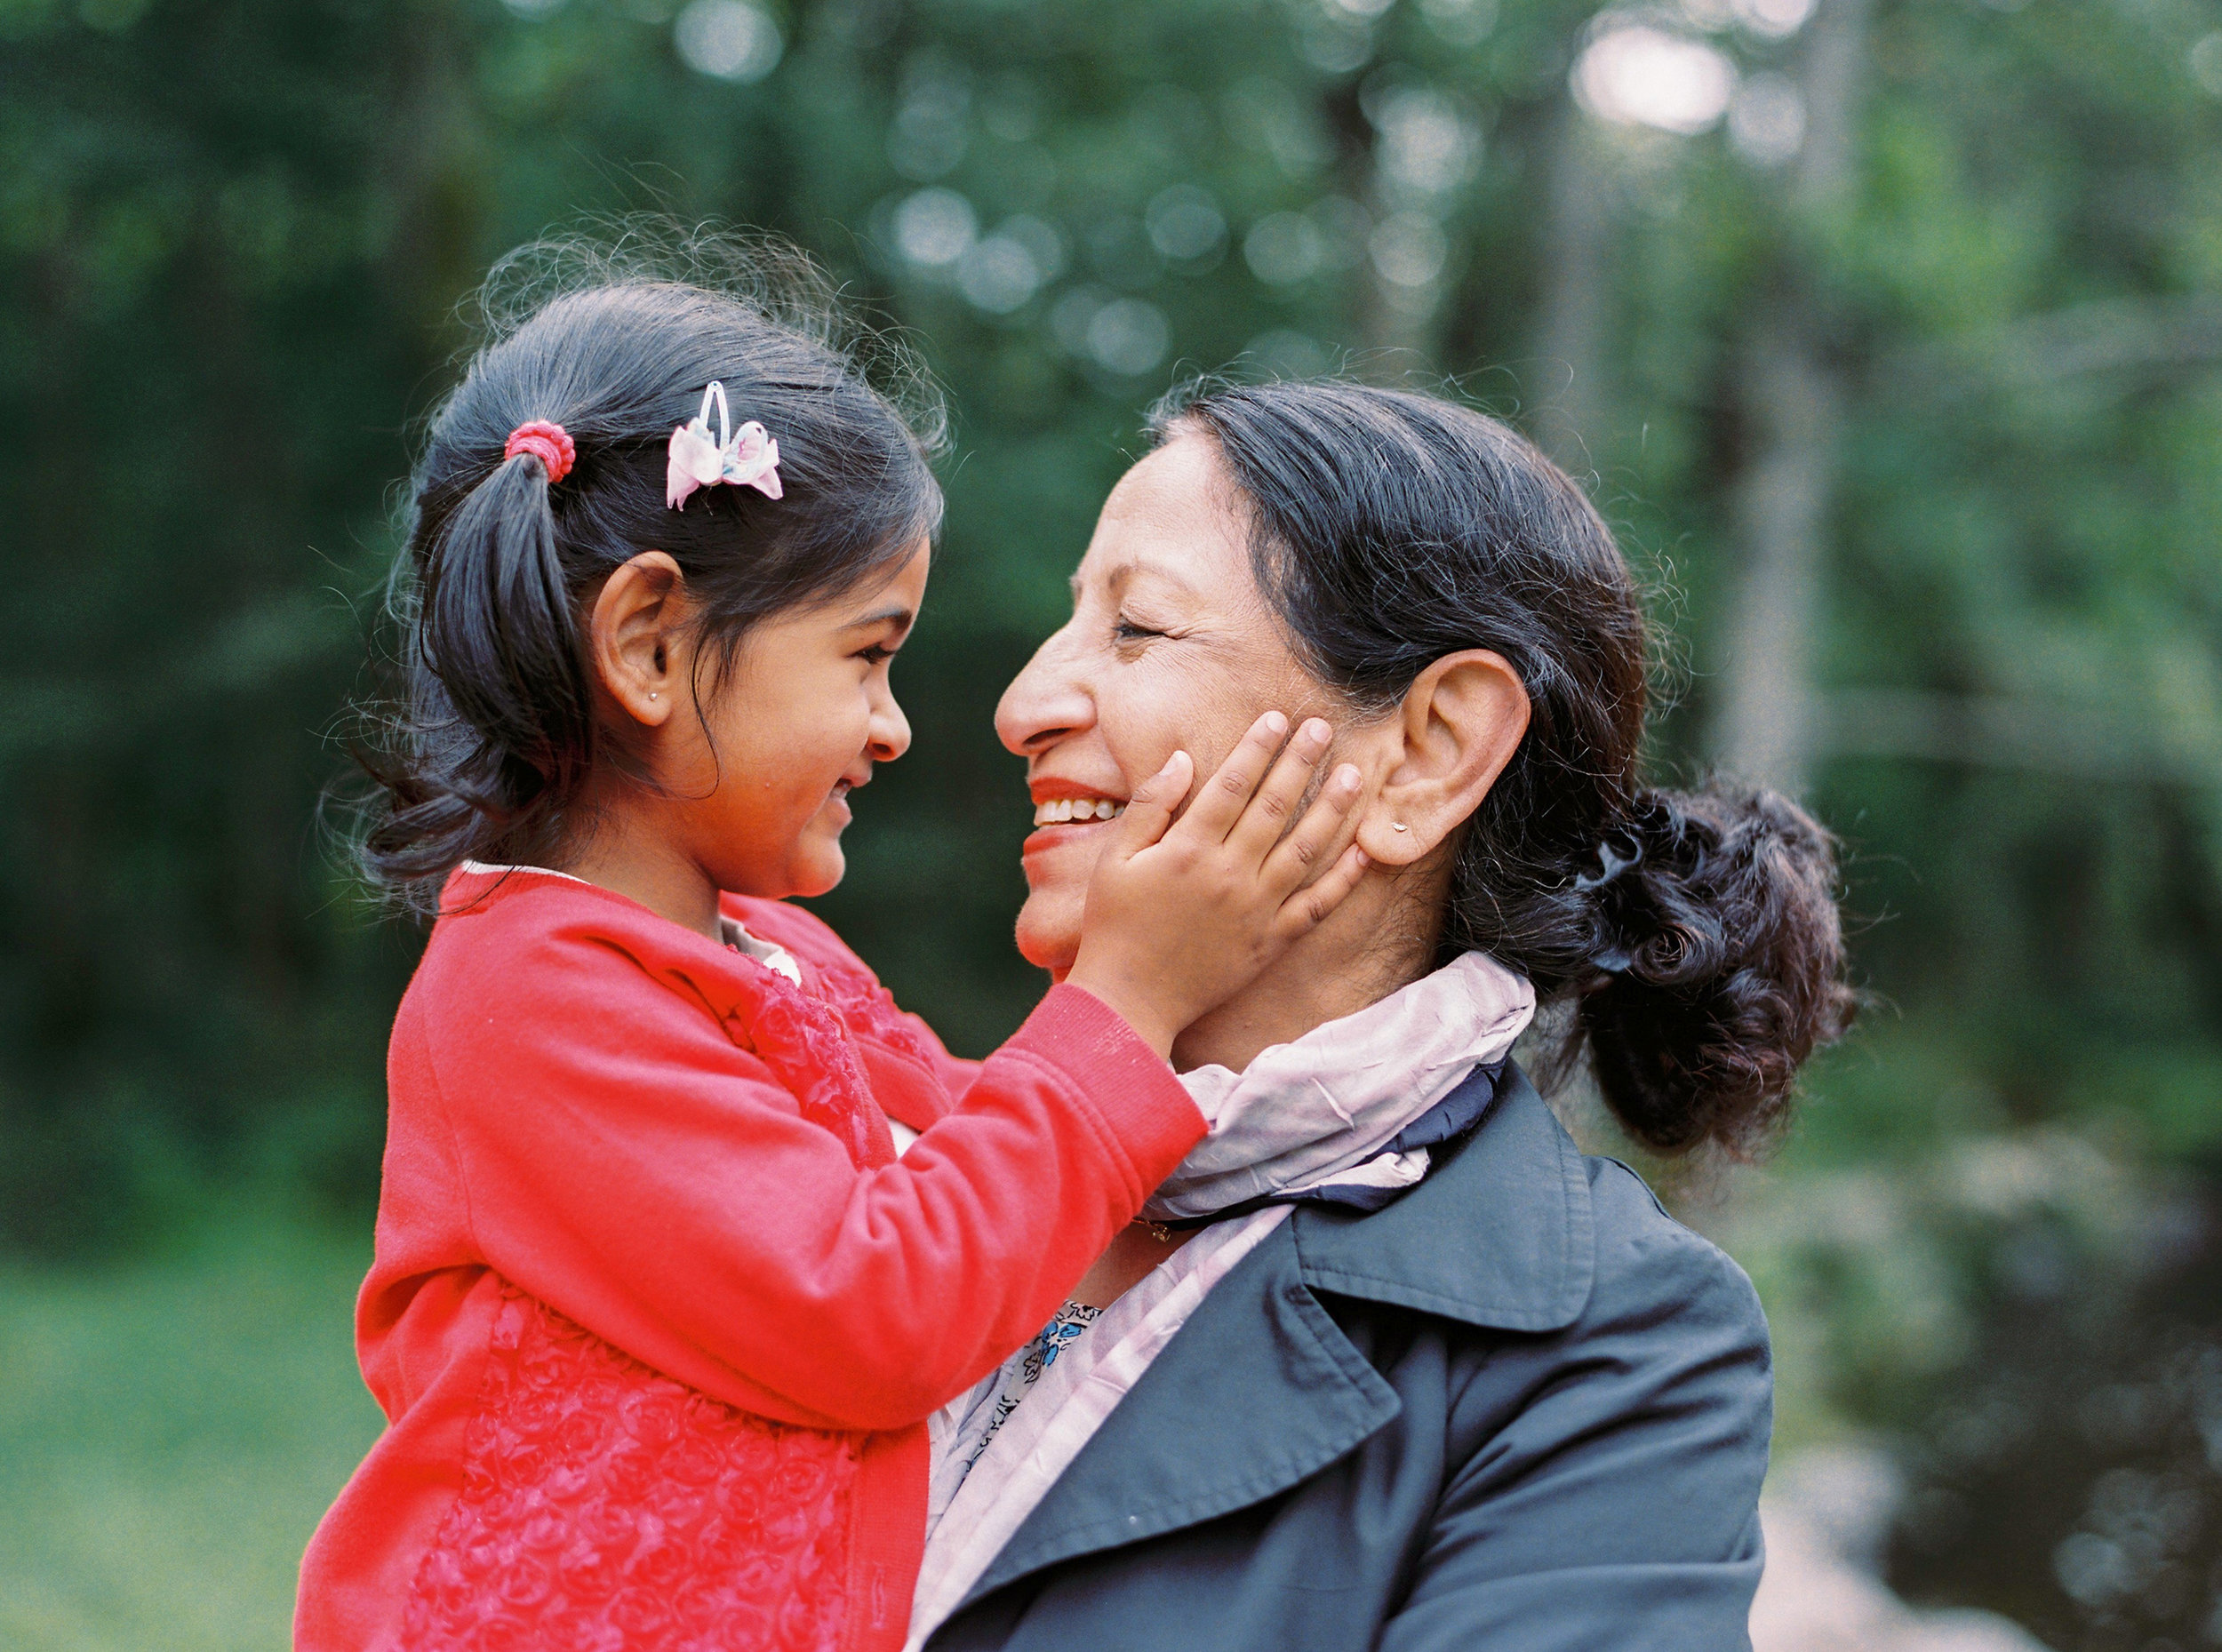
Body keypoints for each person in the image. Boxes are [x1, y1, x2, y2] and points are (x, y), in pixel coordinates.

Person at [295, 243, 1371, 1652]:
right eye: (867, 654)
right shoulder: (528, 997)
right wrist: (1130, 992)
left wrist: (1260, 1071)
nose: (895, 724)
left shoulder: (776, 956)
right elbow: (876, 1308)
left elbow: (990, 1141)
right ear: (650, 648)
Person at [907, 379, 1858, 1651]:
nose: (1026, 704)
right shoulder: (889, 1145)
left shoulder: (1607, 1355)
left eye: (1135, 628)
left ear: (1429, 751)